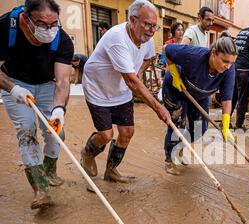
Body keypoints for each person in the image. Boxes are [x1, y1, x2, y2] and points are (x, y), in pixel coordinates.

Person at [80, 0, 170, 184]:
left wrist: (140, 70)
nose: (151, 30)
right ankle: (87, 153)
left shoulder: (148, 40)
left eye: (155, 26)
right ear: (132, 20)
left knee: (127, 132)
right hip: (99, 88)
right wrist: (158, 107)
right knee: (106, 135)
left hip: (121, 89)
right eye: (147, 24)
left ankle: (111, 171)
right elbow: (132, 83)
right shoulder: (117, 39)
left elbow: (148, 57)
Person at [0, 0, 74, 209]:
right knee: (26, 131)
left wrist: (59, 109)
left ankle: (50, 170)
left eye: (53, 24)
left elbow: (63, 81)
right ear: (25, 19)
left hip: (48, 86)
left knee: (56, 132)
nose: (48, 30)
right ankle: (40, 190)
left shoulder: (62, 40)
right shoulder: (5, 28)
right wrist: (12, 88)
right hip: (14, 84)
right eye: (42, 24)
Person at [162, 33, 237, 175]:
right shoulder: (194, 55)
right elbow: (166, 49)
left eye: (231, 63)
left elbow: (227, 99)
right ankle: (169, 160)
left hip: (200, 94)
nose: (227, 66)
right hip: (177, 88)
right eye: (225, 61)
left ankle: (178, 148)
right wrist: (174, 74)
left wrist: (225, 125)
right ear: (213, 53)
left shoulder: (229, 70)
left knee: (199, 129)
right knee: (178, 126)